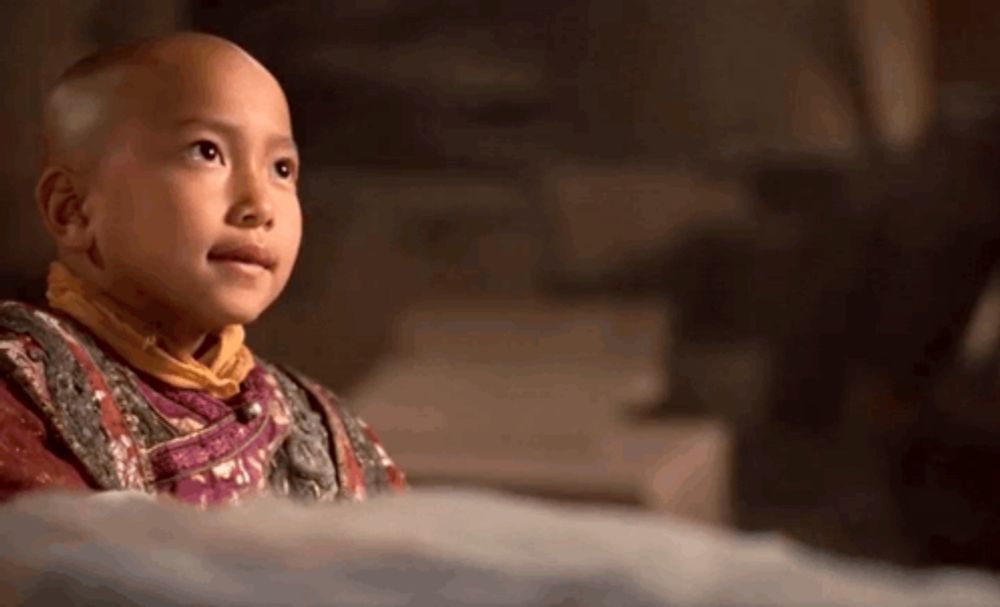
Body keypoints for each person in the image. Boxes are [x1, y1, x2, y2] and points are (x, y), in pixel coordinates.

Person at [0, 32, 405, 507]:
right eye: (207, 152)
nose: (258, 205)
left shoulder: (328, 432)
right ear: (74, 211)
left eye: (281, 169)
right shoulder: (21, 398)